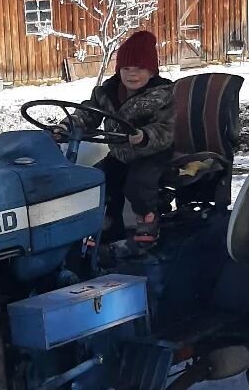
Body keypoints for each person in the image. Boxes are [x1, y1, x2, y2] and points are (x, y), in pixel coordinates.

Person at [60, 30, 175, 248]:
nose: (132, 74)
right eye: (126, 69)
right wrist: (67, 125)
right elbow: (88, 113)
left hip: (153, 153)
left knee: (139, 183)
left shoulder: (162, 95)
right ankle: (110, 224)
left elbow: (165, 129)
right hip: (120, 153)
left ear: (151, 71)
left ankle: (148, 219)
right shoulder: (106, 92)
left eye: (139, 68)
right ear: (118, 69)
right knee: (101, 178)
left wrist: (144, 136)